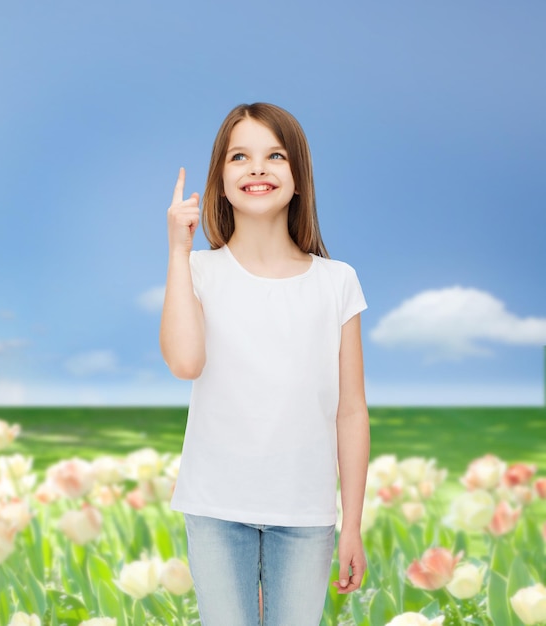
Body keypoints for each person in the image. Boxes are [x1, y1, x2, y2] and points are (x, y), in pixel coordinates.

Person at [160, 102, 370, 626]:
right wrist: (176, 251)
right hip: (215, 505)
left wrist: (352, 525)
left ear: (298, 178)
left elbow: (351, 412)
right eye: (239, 157)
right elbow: (186, 362)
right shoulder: (199, 272)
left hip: (305, 513)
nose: (257, 167)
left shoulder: (336, 281)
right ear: (220, 182)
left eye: (275, 155)